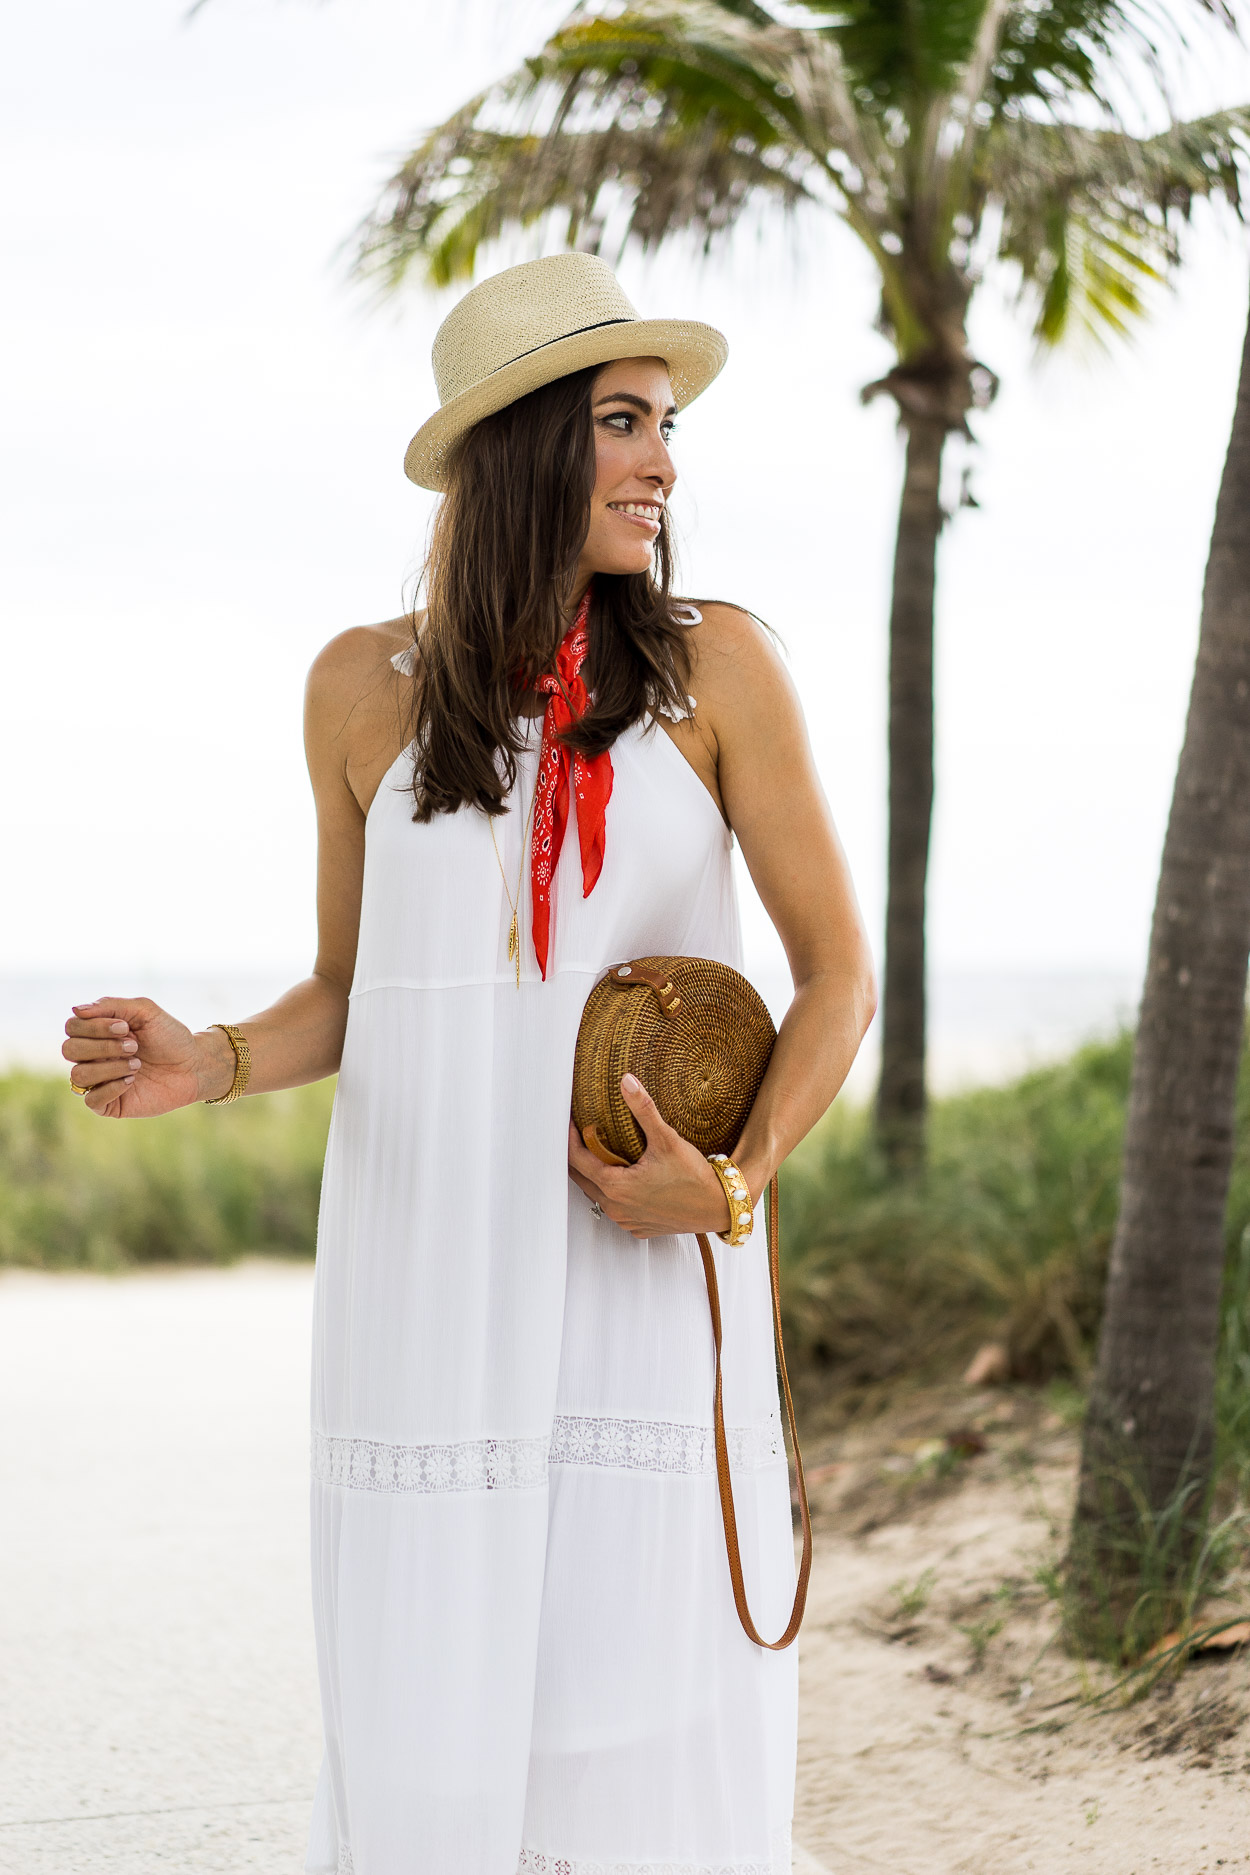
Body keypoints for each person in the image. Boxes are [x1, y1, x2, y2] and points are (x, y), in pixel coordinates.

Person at [62, 252, 876, 1875]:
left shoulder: (717, 667)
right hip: (426, 1273)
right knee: (429, 1705)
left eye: (666, 426)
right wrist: (208, 1060)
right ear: (517, 444)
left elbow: (837, 975)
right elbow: (354, 990)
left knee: (633, 1697)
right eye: (622, 421)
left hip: (642, 1267)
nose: (662, 461)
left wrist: (729, 1185)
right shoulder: (357, 688)